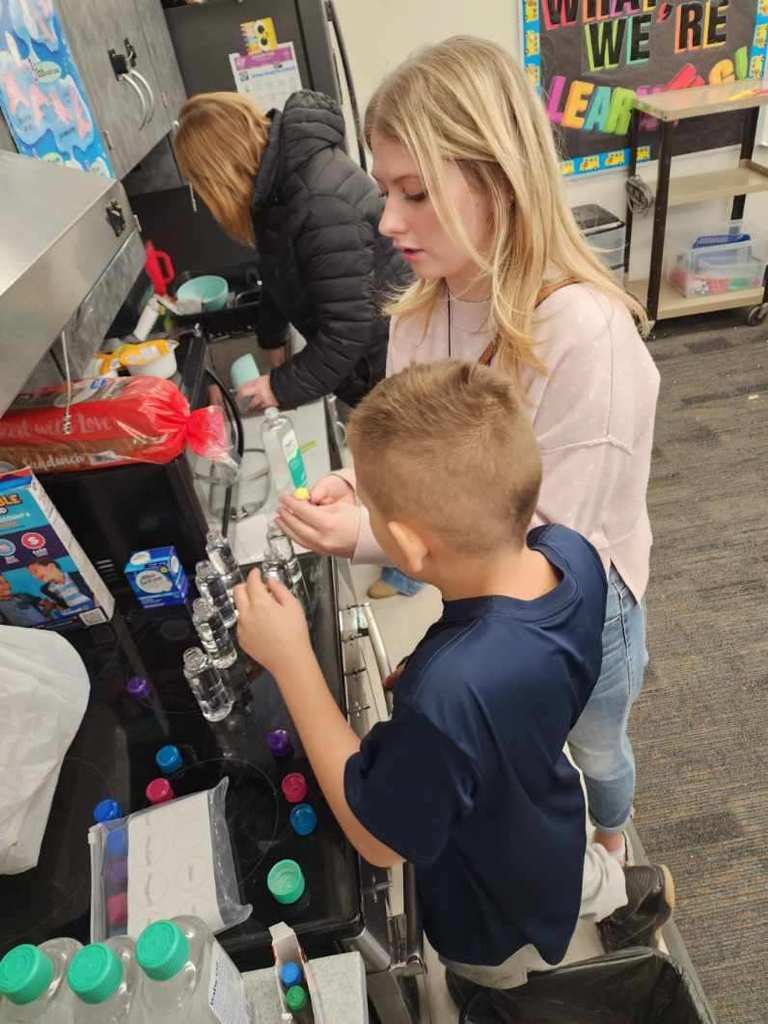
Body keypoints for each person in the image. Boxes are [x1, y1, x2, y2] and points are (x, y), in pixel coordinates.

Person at [275, 36, 660, 865]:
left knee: (595, 750)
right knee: (521, 751)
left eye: (414, 192)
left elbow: (551, 558)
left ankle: (613, 833)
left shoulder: (584, 337)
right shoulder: (421, 309)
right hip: (481, 589)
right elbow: (422, 461)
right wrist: (358, 484)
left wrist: (374, 538)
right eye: (384, 191)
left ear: (499, 179)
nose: (385, 221)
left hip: (588, 607)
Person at [235, 361, 673, 1004]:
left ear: (409, 549)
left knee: (502, 977)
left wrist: (293, 659)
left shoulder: (450, 695)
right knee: (567, 872)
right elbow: (518, 655)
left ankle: (504, 991)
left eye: (370, 508)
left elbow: (379, 840)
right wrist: (435, 666)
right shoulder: (568, 550)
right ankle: (620, 892)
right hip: (545, 807)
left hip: (492, 910)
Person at [173, 90, 410, 411]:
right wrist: (271, 335)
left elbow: (348, 331)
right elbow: (281, 266)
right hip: (374, 363)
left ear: (220, 176)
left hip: (396, 372)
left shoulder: (319, 204)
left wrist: (278, 387)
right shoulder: (281, 188)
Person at [27, 558, 92, 613]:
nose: (35, 576)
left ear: (51, 566)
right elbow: (60, 605)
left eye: (35, 571)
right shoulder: (46, 589)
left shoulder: (79, 575)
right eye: (32, 575)